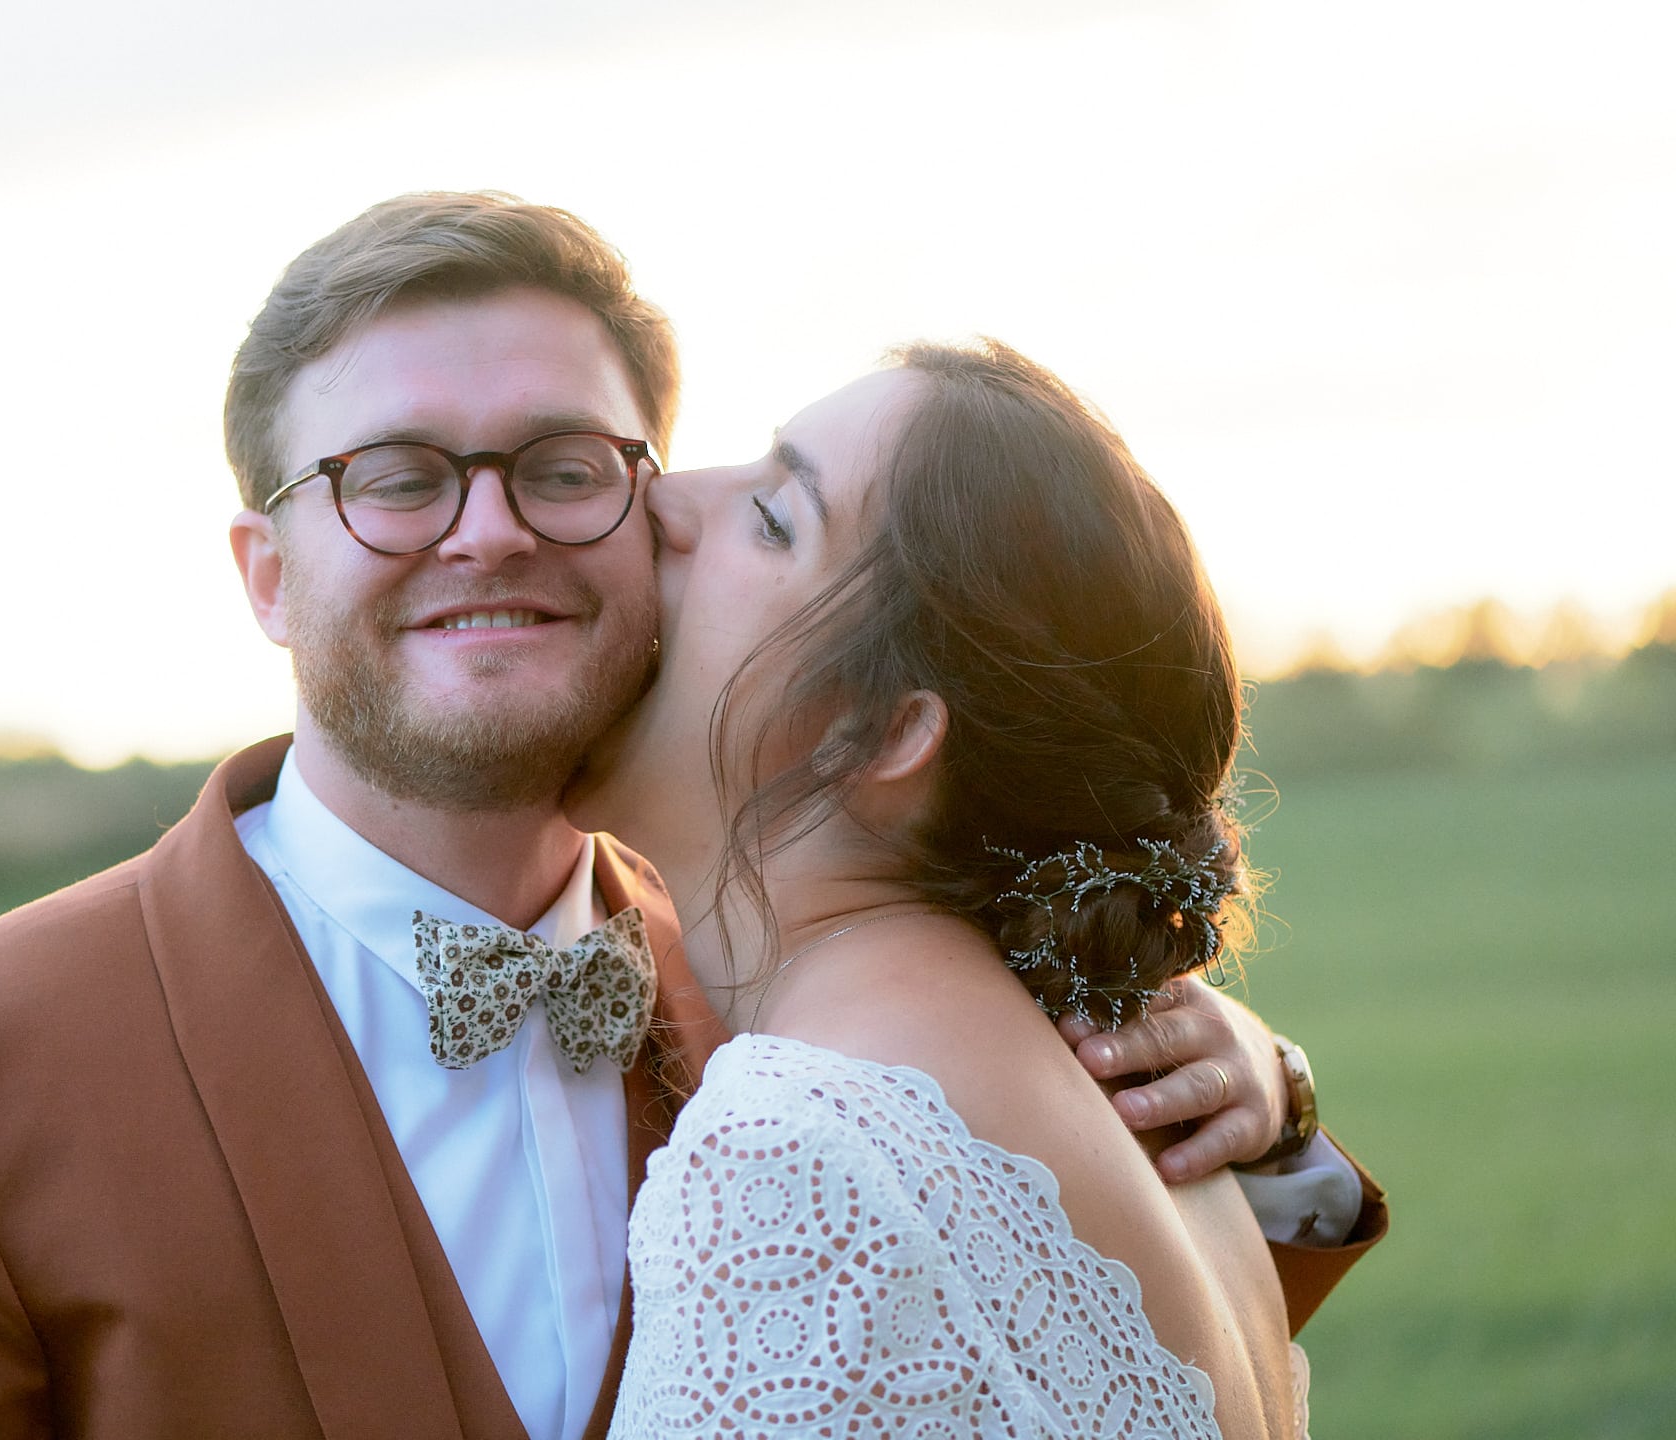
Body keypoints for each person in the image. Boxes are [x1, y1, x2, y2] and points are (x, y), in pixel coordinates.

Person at [0, 195, 1381, 1440]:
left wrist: (1247, 1105)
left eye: (565, 467)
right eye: (396, 478)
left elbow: (1058, 1346)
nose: (488, 531)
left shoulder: (826, 1029)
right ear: (267, 575)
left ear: (640, 509)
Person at [570, 341, 1349, 1436]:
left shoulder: (799, 1154)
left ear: (881, 735)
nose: (667, 496)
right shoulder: (1134, 1135)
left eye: (774, 517)